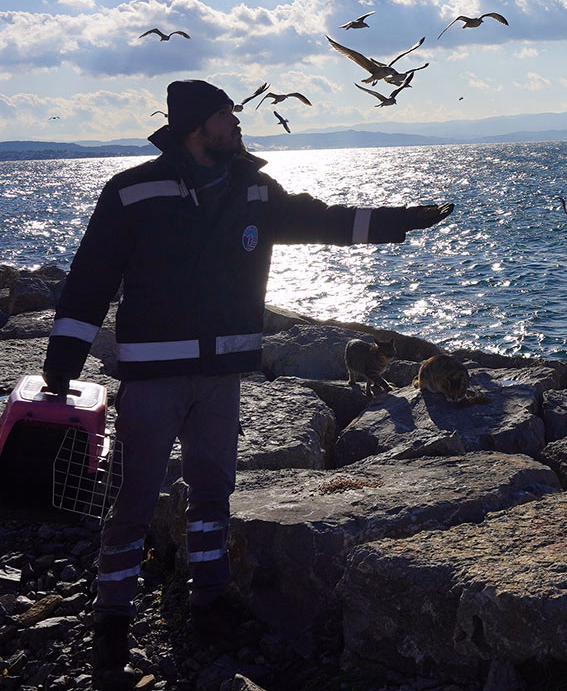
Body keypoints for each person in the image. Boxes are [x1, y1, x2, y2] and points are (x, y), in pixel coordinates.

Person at [39, 80, 452, 687]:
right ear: (196, 126)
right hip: (152, 379)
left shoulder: (253, 187)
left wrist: (403, 221)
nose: (237, 123)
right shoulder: (130, 191)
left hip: (223, 375)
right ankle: (112, 625)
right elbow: (88, 282)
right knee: (129, 505)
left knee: (212, 493)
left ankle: (209, 602)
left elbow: (322, 221)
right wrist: (61, 366)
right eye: (226, 116)